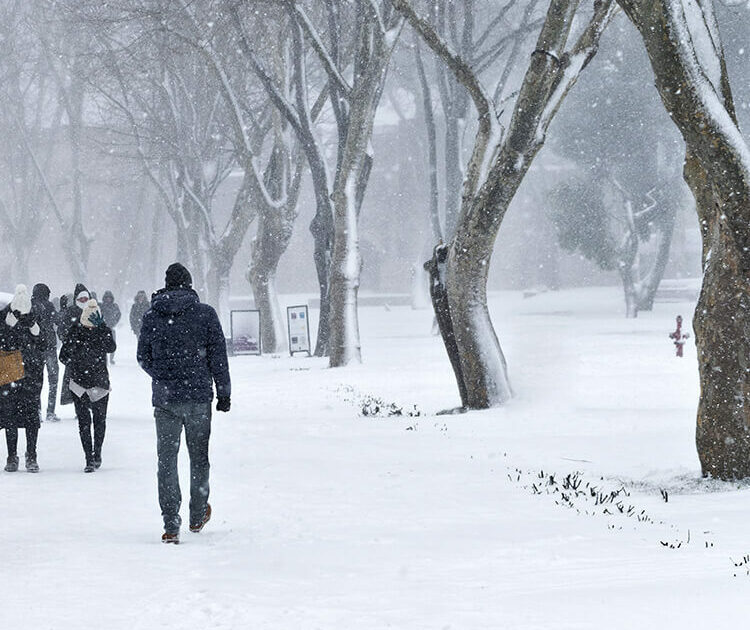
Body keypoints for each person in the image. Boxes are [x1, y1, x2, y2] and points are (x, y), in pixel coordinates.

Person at [137, 263, 231, 544]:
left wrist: (163, 376)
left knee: (166, 460)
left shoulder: (152, 316)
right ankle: (197, 513)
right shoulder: (205, 314)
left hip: (166, 400)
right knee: (198, 457)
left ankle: (170, 522)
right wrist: (223, 391)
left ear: (166, 285)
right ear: (189, 284)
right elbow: (218, 356)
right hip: (198, 397)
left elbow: (143, 356)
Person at [60, 299, 116, 472]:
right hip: (82, 383)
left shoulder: (99, 331)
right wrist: (75, 360)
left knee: (99, 421)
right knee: (85, 422)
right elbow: (63, 356)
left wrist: (103, 328)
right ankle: (89, 458)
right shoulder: (76, 331)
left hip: (96, 383)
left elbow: (111, 347)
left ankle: (96, 453)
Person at [1, 285, 47, 473]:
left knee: (30, 418)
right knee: (10, 416)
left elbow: (45, 343)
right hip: (10, 374)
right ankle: (12, 455)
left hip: (31, 374)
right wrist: (6, 326)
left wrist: (34, 328)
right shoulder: (4, 315)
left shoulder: (35, 314)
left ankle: (31, 455)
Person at [31, 283, 61, 422]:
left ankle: (36, 410)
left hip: (34, 347)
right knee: (53, 380)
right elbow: (58, 320)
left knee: (36, 380)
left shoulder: (30, 306)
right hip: (49, 346)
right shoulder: (49, 306)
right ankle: (50, 411)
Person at [57, 284, 90, 406]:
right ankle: (80, 404)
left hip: (89, 354)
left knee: (88, 381)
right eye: (81, 300)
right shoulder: (70, 312)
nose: (83, 302)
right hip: (75, 353)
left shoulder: (93, 311)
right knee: (75, 381)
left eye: (86, 299)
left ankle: (86, 403)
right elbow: (61, 329)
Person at [100, 290, 121, 365]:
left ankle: (112, 358)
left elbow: (118, 314)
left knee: (112, 343)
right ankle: (105, 359)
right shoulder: (101, 306)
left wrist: (114, 322)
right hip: (103, 328)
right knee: (103, 344)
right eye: (107, 297)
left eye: (109, 297)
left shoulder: (114, 306)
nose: (108, 299)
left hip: (111, 327)